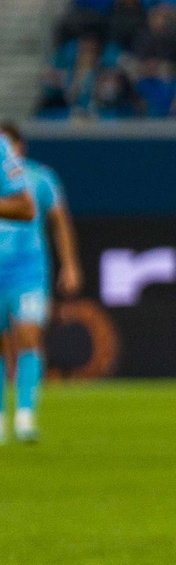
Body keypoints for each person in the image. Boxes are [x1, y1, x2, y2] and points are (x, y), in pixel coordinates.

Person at [0, 122, 78, 443]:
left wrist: (70, 265)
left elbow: (59, 221)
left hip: (29, 271)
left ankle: (26, 416)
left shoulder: (41, 178)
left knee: (29, 336)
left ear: (20, 148)